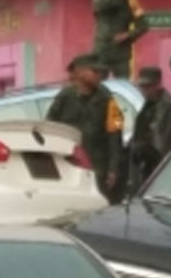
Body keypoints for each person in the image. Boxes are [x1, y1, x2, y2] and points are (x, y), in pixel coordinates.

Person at [47, 53, 125, 205]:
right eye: (94, 72)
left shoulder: (108, 100)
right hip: (69, 165)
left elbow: (115, 136)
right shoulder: (64, 98)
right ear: (80, 72)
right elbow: (50, 129)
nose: (99, 76)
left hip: (96, 168)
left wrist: (113, 169)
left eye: (100, 72)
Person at [130, 67, 171, 188]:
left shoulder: (166, 106)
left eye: (148, 86)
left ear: (158, 85)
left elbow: (161, 145)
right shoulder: (144, 102)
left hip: (165, 164)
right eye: (142, 86)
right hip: (148, 160)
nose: (144, 90)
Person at [92, 0, 149, 79]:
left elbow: (144, 26)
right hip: (101, 51)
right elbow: (101, 6)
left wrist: (128, 35)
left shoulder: (131, 1)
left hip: (121, 52)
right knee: (97, 85)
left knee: (124, 85)